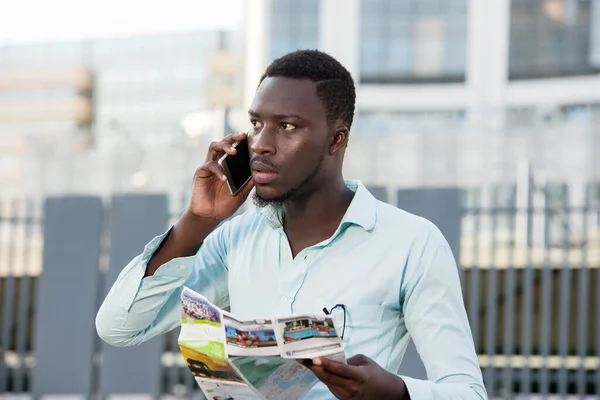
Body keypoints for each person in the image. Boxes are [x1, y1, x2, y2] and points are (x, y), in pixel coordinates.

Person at [96, 49, 487, 400]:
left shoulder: (412, 244)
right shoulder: (234, 239)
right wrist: (196, 222)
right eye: (256, 123)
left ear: (336, 140)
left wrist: (396, 393)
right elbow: (119, 328)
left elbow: (467, 392)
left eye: (286, 127)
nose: (262, 144)